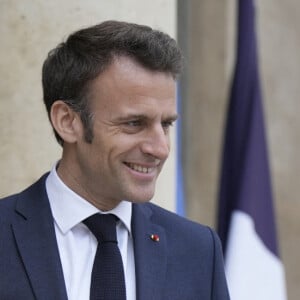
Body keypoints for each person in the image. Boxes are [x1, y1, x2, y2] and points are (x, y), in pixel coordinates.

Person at [0, 21, 229, 300]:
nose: (160, 148)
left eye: (166, 124)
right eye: (134, 123)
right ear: (67, 121)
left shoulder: (197, 250)